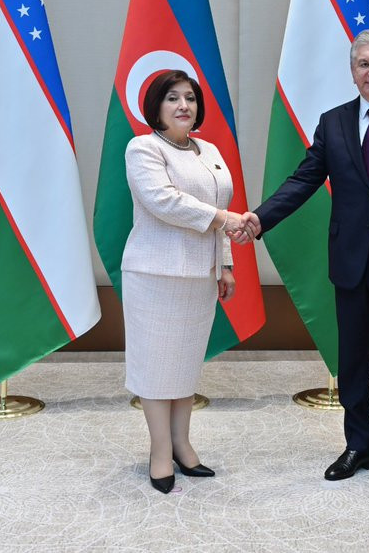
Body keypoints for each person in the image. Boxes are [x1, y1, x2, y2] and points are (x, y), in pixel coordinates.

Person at [238, 29, 369, 493]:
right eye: (364, 64)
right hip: (351, 262)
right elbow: (304, 179)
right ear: (352, 71)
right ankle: (359, 446)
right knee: (352, 363)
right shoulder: (333, 122)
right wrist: (260, 218)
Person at [121, 69, 245, 495]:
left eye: (190, 98)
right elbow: (163, 201)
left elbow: (219, 206)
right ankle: (160, 452)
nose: (183, 105)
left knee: (185, 364)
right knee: (156, 367)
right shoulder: (143, 148)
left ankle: (182, 444)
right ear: (156, 106)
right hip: (154, 274)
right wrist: (225, 219)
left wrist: (225, 264)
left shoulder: (208, 149)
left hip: (200, 275)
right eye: (172, 97)